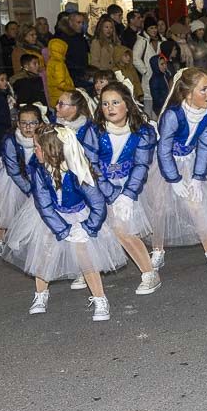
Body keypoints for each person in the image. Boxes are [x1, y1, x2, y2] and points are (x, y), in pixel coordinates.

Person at [3, 123, 127, 318]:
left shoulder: (78, 170)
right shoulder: (40, 171)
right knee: (44, 253)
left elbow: (97, 203)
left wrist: (87, 227)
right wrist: (63, 230)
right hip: (53, 216)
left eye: (37, 147)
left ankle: (100, 298)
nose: (34, 150)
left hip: (80, 214)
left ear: (51, 150)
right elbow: (43, 204)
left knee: (85, 254)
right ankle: (41, 293)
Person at [143, 68, 207, 272]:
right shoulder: (173, 115)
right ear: (189, 93)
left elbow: (205, 146)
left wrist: (198, 177)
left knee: (197, 206)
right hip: (166, 164)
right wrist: (174, 179)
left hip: (190, 161)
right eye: (204, 89)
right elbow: (163, 149)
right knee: (159, 206)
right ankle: (157, 251)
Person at [84, 81, 161, 294]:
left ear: (127, 105)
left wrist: (126, 195)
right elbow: (92, 165)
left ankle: (149, 273)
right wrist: (112, 194)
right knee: (91, 231)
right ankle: (85, 271)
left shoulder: (143, 132)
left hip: (130, 185)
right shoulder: (94, 130)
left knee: (122, 230)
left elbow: (141, 164)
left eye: (115, 102)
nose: (109, 108)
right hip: (98, 185)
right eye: (105, 103)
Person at [0, 104, 42, 259]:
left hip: (35, 176)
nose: (28, 127)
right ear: (18, 123)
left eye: (33, 123)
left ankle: (28, 239)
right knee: (3, 207)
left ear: (40, 123)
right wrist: (30, 189)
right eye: (24, 123)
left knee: (34, 209)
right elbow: (13, 169)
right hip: (11, 177)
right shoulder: (11, 140)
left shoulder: (44, 137)